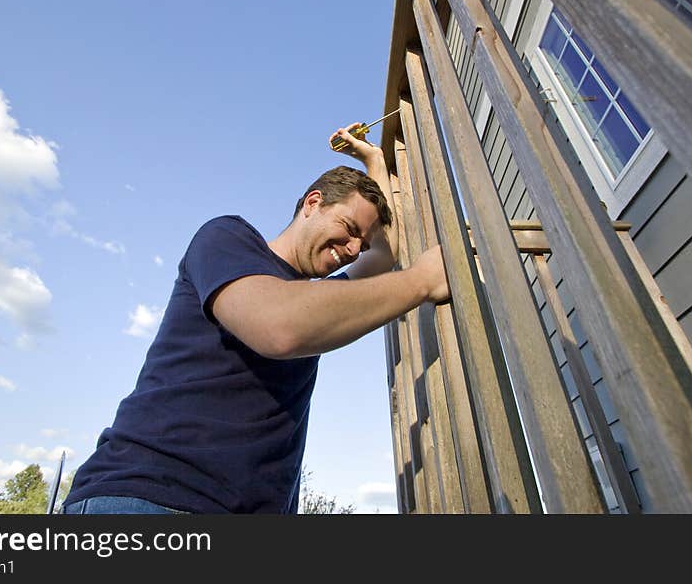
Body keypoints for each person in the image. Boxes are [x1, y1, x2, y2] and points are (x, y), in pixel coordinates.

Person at [62, 124, 450, 514]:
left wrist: (374, 161)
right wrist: (420, 282)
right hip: (150, 497)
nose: (353, 250)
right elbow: (279, 328)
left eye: (360, 243)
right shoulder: (227, 238)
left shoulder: (314, 300)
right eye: (349, 229)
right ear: (312, 203)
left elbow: (384, 255)